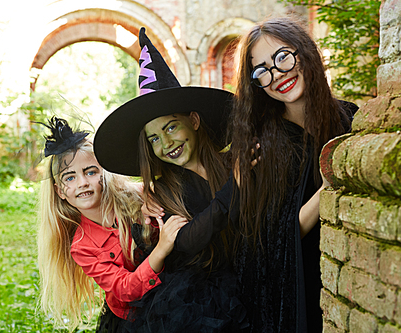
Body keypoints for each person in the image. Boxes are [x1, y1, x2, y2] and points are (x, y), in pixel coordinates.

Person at [94, 28, 247, 332]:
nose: (165, 143)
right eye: (153, 138)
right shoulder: (163, 191)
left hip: (249, 274)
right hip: (196, 296)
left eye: (171, 127)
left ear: (194, 120)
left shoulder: (232, 163)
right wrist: (234, 188)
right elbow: (187, 240)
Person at [228, 16, 359, 332]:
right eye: (263, 71)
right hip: (299, 290)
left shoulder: (349, 117)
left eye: (283, 57)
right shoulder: (264, 144)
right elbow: (276, 234)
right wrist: (328, 183)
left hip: (350, 275)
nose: (277, 74)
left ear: (305, 52)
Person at [36, 116, 187, 332]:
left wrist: (151, 200)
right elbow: (125, 289)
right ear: (60, 191)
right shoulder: (82, 247)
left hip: (175, 290)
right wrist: (161, 248)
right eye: (70, 178)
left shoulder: (136, 198)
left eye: (90, 172)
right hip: (135, 316)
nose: (83, 183)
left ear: (103, 174)